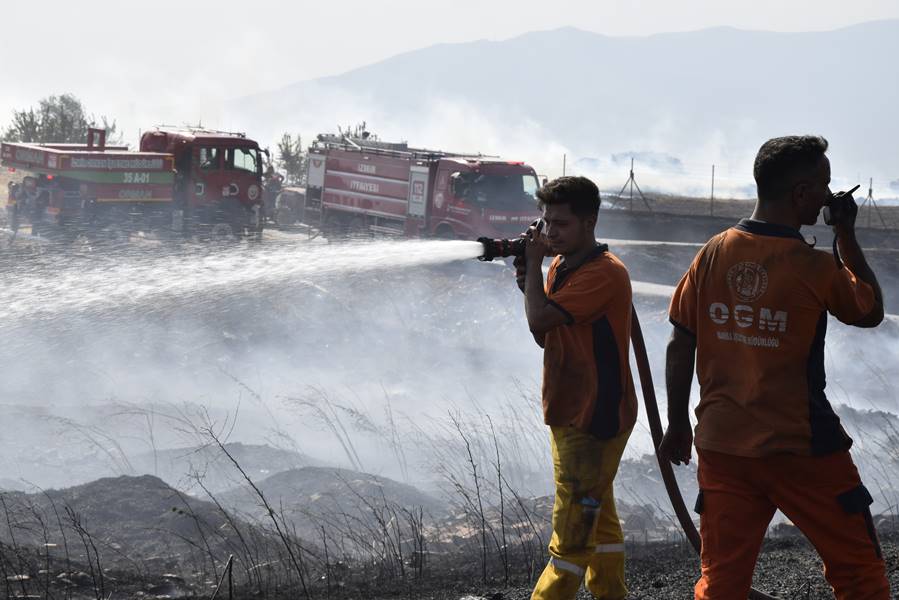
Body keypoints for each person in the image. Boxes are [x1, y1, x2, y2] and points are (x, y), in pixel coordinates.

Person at [659, 135, 890, 599]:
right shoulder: (815, 267)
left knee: (722, 581)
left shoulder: (713, 252)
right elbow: (869, 311)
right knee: (860, 572)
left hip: (723, 448)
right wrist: (845, 234)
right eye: (823, 185)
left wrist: (678, 422)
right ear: (801, 193)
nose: (828, 195)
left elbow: (679, 343)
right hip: (801, 448)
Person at [515, 176, 638, 600]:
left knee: (571, 535)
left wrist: (532, 266)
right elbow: (546, 335)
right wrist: (529, 276)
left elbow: (539, 321)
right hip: (569, 411)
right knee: (598, 518)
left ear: (590, 222)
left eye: (561, 224)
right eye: (546, 222)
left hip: (595, 418)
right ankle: (611, 594)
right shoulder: (561, 266)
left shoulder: (604, 274)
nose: (549, 233)